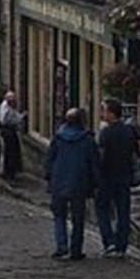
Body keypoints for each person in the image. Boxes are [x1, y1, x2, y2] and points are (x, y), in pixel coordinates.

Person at [44, 108, 98, 261]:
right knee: (78, 218)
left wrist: (49, 177)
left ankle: (61, 246)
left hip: (59, 182)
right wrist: (95, 183)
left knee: (59, 216)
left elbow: (49, 159)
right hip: (79, 183)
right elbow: (93, 163)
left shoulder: (58, 138)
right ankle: (76, 249)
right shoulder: (87, 139)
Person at [95, 98, 139, 258]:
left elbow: (102, 157)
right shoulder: (129, 131)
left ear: (111, 114)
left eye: (104, 111)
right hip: (125, 176)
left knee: (102, 209)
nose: (102, 114)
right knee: (123, 211)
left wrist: (97, 174)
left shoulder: (106, 133)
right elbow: (137, 152)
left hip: (107, 177)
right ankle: (122, 245)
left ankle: (109, 242)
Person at [0, 91, 26, 182]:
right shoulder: (6, 108)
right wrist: (20, 118)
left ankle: (10, 172)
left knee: (12, 152)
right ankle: (8, 174)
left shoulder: (9, 107)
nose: (14, 101)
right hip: (7, 131)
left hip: (10, 131)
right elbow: (5, 120)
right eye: (12, 99)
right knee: (9, 153)